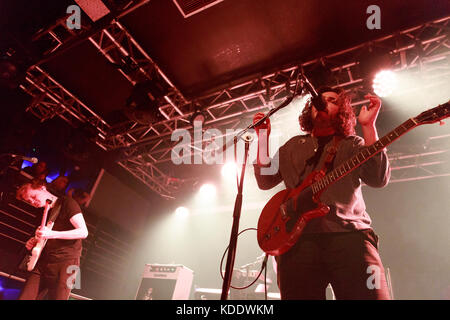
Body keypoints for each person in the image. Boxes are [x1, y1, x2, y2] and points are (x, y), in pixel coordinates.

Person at [252, 87, 391, 300]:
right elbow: (264, 179)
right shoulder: (292, 146)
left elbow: (377, 178)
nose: (323, 103)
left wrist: (368, 127)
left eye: (332, 100)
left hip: (349, 235)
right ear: (311, 111)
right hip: (296, 241)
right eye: (321, 99)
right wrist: (262, 137)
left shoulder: (352, 144)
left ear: (342, 111)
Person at [15, 179, 88, 300]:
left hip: (69, 264)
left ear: (42, 188)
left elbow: (83, 232)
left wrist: (51, 234)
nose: (33, 202)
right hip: (44, 262)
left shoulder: (67, 203)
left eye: (34, 196)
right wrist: (34, 242)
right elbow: (45, 236)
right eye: (29, 201)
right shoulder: (45, 211)